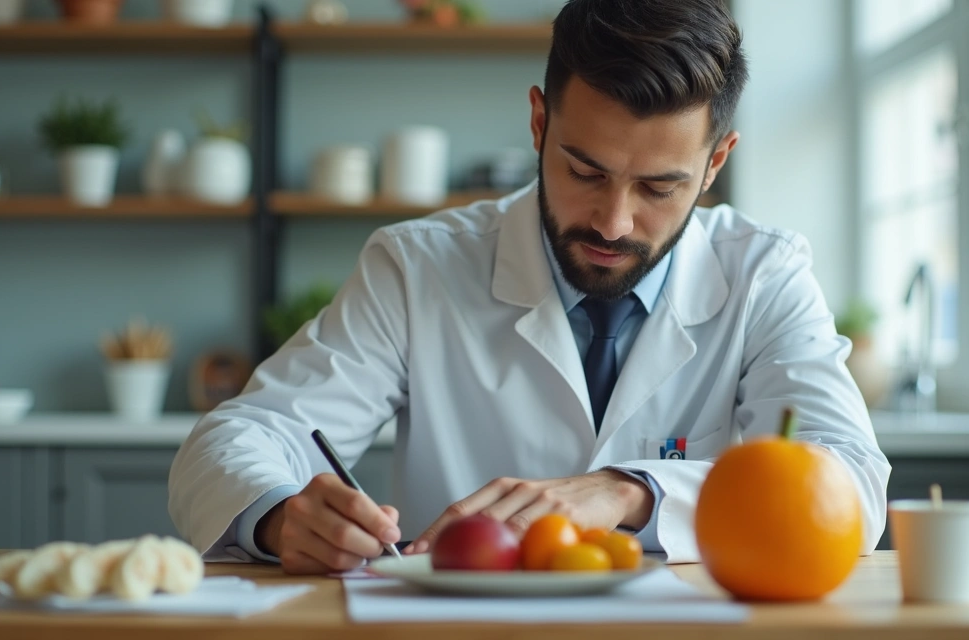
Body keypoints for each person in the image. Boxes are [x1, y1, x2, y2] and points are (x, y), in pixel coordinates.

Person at [168, 0, 890, 574]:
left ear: (714, 165)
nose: (613, 221)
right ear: (540, 123)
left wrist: (632, 491)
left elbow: (850, 482)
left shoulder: (763, 273)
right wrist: (280, 515)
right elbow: (236, 438)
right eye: (585, 171)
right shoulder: (417, 267)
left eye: (659, 188)